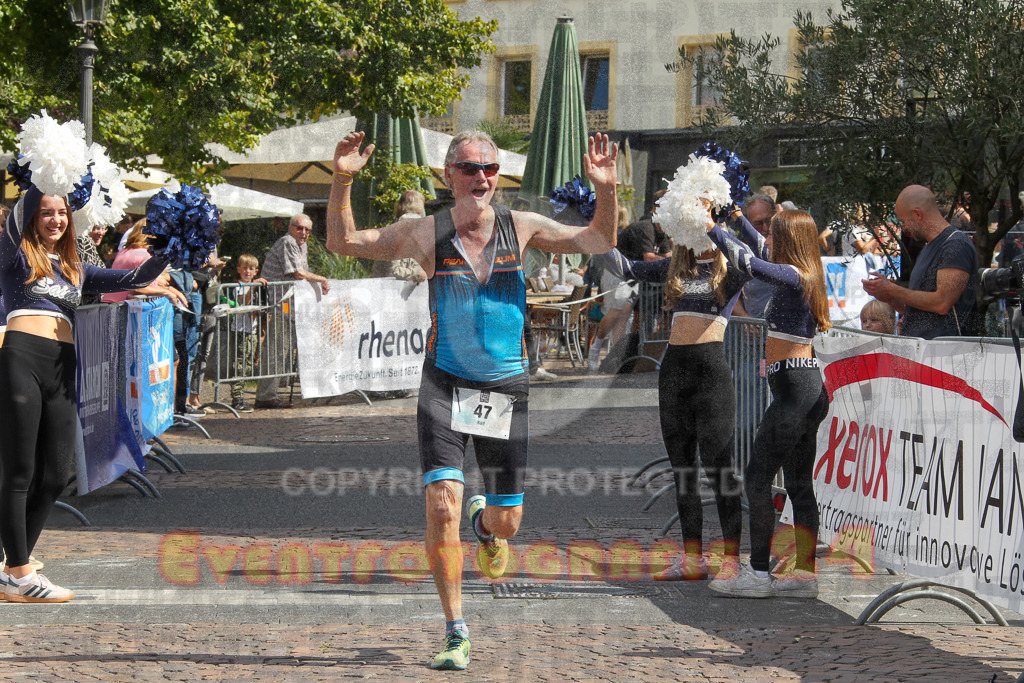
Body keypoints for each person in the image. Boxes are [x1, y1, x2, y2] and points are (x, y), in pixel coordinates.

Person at [326, 129, 618, 670]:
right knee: (442, 505)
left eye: (489, 168)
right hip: (444, 382)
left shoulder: (521, 226)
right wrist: (342, 181)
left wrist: (606, 188)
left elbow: (599, 239)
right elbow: (343, 243)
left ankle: (486, 527)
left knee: (509, 523)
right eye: (468, 168)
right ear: (448, 176)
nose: (480, 177)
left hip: (503, 386)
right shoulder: (424, 231)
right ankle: (456, 628)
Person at [0, 188, 168, 602]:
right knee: (19, 470)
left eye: (62, 212)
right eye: (46, 212)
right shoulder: (14, 256)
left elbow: (135, 279)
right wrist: (43, 177)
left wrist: (171, 250)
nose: (55, 219)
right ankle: (20, 573)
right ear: (32, 217)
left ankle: (10, 568)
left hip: (61, 366)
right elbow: (15, 219)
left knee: (56, 475)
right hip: (20, 359)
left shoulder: (76, 268)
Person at [595, 210, 754, 579]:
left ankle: (732, 560)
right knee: (683, 469)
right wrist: (596, 225)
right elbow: (624, 266)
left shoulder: (730, 267)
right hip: (674, 373)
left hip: (712, 373)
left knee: (720, 468)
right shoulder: (675, 267)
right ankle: (692, 558)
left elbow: (753, 258)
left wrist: (720, 222)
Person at [706, 209, 831, 599]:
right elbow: (757, 248)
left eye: (775, 235)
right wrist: (735, 215)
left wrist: (709, 227)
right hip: (804, 386)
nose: (768, 240)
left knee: (758, 479)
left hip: (795, 390)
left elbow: (747, 261)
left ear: (789, 241)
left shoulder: (795, 276)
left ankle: (758, 574)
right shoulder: (803, 272)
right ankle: (804, 576)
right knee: (798, 485)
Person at [862, 185, 978, 339]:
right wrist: (890, 298)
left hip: (946, 349)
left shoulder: (955, 245)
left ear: (917, 214)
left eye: (904, 221)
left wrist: (892, 290)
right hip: (923, 348)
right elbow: (919, 312)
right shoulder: (929, 247)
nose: (904, 228)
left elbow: (942, 303)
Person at [255, 214, 330, 409]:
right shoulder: (288, 241)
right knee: (276, 350)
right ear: (290, 227)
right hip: (280, 304)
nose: (303, 233)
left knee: (283, 350)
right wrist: (322, 279)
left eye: (307, 230)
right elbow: (299, 273)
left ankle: (270, 393)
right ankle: (266, 396)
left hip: (289, 306)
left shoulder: (301, 246)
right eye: (299, 228)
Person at [588, 205, 637, 370]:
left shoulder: (615, 233)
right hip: (617, 276)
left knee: (622, 315)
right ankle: (602, 351)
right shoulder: (621, 234)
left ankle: (615, 355)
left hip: (619, 276)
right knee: (617, 313)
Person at [226, 254, 266, 413]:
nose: (247, 272)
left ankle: (241, 395)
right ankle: (237, 398)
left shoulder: (256, 286)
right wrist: (254, 286)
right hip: (240, 330)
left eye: (251, 269)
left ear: (256, 271)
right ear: (239, 270)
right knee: (239, 364)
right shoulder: (238, 286)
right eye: (244, 268)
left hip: (253, 329)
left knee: (248, 364)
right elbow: (244, 301)